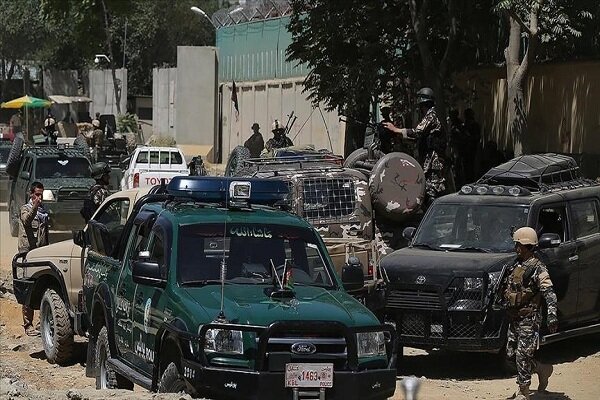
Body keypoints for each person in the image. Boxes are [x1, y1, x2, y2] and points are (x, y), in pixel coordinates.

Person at [500, 227, 557, 400]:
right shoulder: (515, 265)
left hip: (529, 318)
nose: (516, 248)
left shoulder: (538, 268)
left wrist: (552, 314)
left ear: (528, 246)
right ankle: (541, 369)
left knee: (522, 355)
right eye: (516, 244)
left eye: (520, 245)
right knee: (510, 356)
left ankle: (524, 392)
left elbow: (549, 292)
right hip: (514, 318)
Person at [382, 87, 447, 207]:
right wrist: (398, 134)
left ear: (423, 103)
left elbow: (417, 132)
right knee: (427, 189)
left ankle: (435, 219)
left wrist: (396, 129)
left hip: (434, 161)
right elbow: (416, 138)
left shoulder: (431, 116)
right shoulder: (430, 115)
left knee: (432, 191)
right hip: (428, 160)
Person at [18, 181, 49, 336]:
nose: (39, 197)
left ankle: (41, 323)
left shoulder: (44, 211)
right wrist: (35, 207)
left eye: (41, 194)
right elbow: (26, 221)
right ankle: (28, 324)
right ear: (31, 194)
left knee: (42, 286)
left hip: (40, 253)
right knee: (27, 288)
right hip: (27, 254)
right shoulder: (26, 209)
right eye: (37, 194)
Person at [463, 108, 481, 182]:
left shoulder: (474, 125)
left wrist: (468, 136)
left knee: (472, 167)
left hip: (472, 149)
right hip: (466, 150)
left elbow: (476, 137)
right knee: (467, 168)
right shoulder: (465, 125)